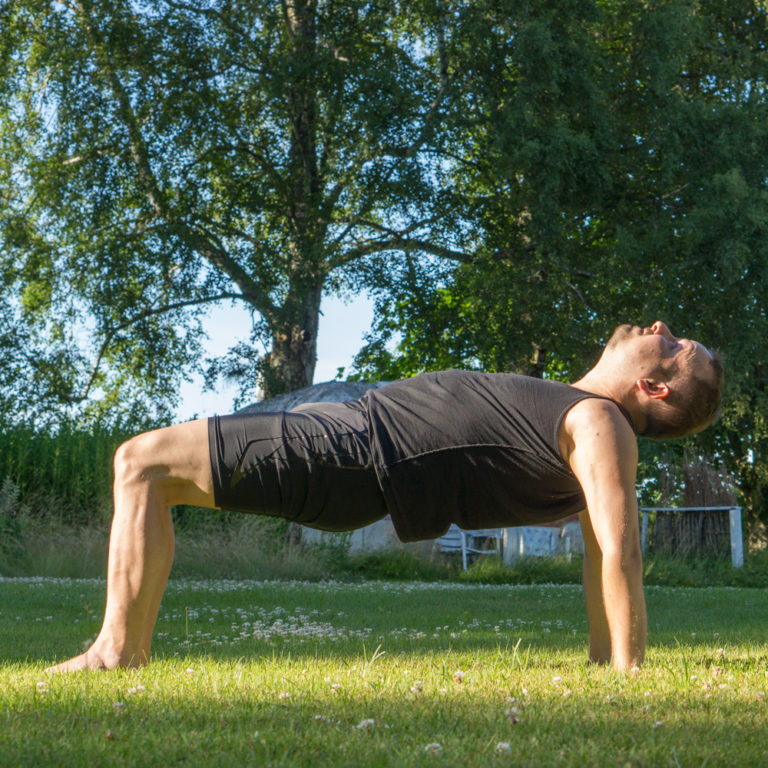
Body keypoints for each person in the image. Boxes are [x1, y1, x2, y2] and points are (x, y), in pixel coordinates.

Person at [47, 321, 723, 674]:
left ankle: (117, 650)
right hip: (353, 433)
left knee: (140, 463)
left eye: (673, 344)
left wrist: (625, 668)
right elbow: (600, 552)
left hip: (357, 449)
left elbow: (617, 551)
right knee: (149, 470)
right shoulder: (582, 415)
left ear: (653, 389)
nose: (659, 326)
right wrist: (603, 658)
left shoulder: (601, 423)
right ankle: (121, 648)